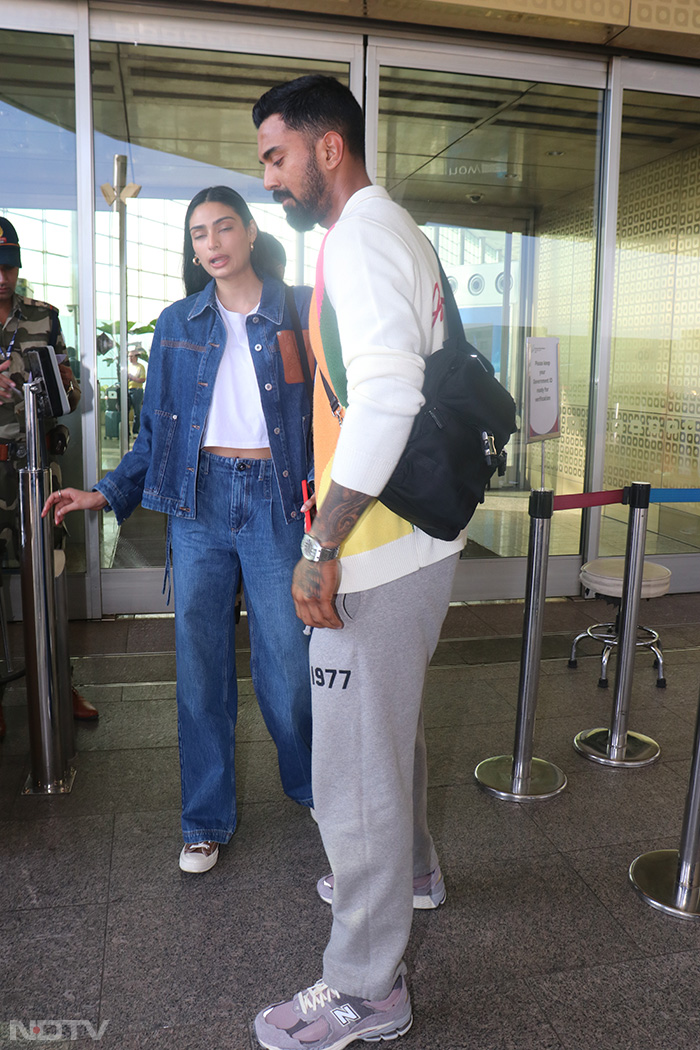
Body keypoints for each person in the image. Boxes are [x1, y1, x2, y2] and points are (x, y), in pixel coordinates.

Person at [252, 76, 467, 1050]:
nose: (270, 180)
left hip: (375, 553)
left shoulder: (364, 240)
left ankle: (367, 989)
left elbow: (386, 399)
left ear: (327, 147)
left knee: (353, 772)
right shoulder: (390, 231)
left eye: (276, 156)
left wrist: (318, 547)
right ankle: (409, 873)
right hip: (407, 540)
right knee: (388, 735)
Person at [43, 187, 314, 873]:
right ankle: (205, 819)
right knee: (200, 671)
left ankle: (315, 790)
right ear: (192, 248)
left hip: (277, 501)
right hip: (198, 502)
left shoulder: (299, 311)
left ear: (251, 233)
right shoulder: (177, 323)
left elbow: (329, 419)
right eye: (199, 234)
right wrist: (105, 491)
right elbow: (156, 434)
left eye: (225, 227)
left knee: (288, 671)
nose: (213, 242)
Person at [0, 216, 98, 739]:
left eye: (10, 265)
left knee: (50, 577)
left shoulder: (43, 318)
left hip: (32, 467)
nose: (3, 277)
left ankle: (60, 682)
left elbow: (72, 396)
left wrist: (66, 387)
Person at [127, 347, 146, 436]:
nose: (130, 358)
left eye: (132, 356)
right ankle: (127, 432)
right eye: (129, 356)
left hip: (137, 390)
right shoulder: (127, 367)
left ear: (136, 357)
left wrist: (132, 378)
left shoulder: (140, 367)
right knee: (126, 410)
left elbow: (142, 379)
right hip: (128, 390)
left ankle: (135, 431)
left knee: (137, 411)